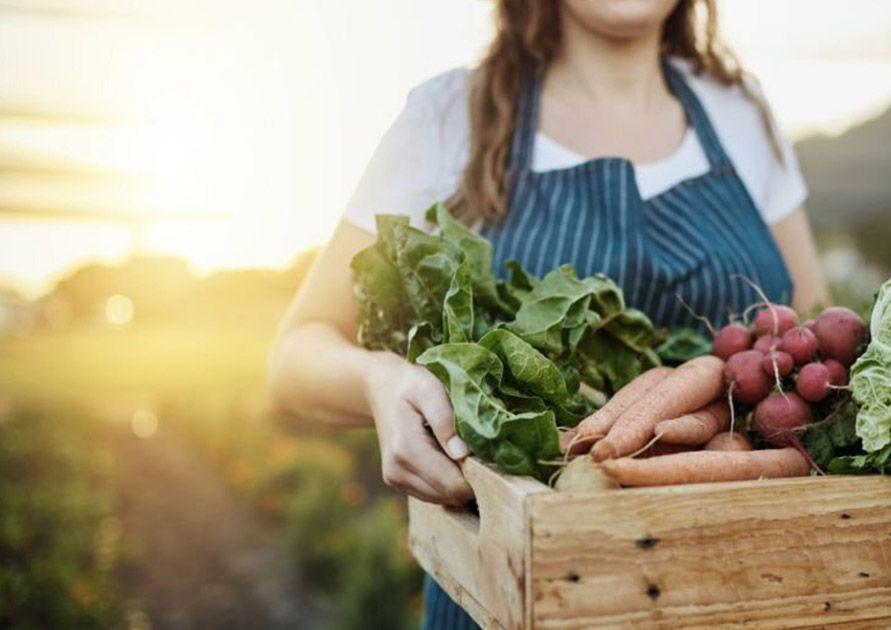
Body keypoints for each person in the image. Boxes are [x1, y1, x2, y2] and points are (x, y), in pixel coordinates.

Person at [267, 0, 829, 627]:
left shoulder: (739, 112)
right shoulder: (449, 117)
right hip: (510, 594)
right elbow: (294, 355)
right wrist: (381, 382)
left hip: (741, 589)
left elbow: (812, 342)